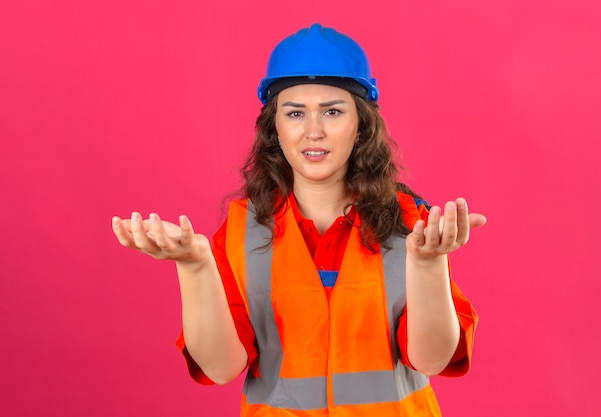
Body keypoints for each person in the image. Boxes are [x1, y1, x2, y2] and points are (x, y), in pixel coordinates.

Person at [112, 23, 487, 416]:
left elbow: (431, 361)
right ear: (274, 128)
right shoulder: (242, 231)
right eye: (295, 113)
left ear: (361, 125)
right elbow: (221, 368)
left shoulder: (412, 224)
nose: (313, 131)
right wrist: (194, 264)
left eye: (332, 111)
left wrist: (429, 264)